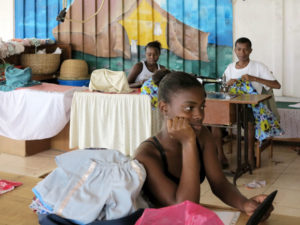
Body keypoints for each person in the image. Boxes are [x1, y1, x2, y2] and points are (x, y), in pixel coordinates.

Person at [134, 71, 273, 220]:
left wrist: (245, 204)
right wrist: (188, 143)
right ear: (164, 108)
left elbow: (219, 183)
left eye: (202, 107)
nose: (199, 115)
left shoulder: (203, 136)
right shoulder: (147, 155)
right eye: (189, 108)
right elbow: (185, 208)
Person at [212, 37, 281, 169]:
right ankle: (221, 157)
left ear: (250, 51)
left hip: (251, 107)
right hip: (233, 106)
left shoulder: (258, 66)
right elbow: (222, 90)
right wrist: (227, 84)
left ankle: (250, 156)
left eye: (245, 49)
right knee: (215, 121)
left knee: (249, 121)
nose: (242, 52)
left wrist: (254, 78)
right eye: (239, 49)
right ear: (235, 50)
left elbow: (277, 85)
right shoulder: (230, 68)